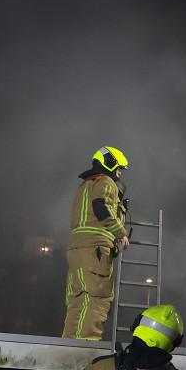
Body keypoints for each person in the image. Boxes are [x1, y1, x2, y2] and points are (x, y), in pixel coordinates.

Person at [62, 146, 130, 340]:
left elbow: (92, 212)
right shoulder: (106, 182)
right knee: (97, 299)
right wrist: (121, 234)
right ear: (109, 163)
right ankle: (87, 345)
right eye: (119, 168)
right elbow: (102, 209)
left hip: (76, 249)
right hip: (95, 250)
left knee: (77, 301)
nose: (119, 173)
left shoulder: (85, 185)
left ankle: (69, 345)